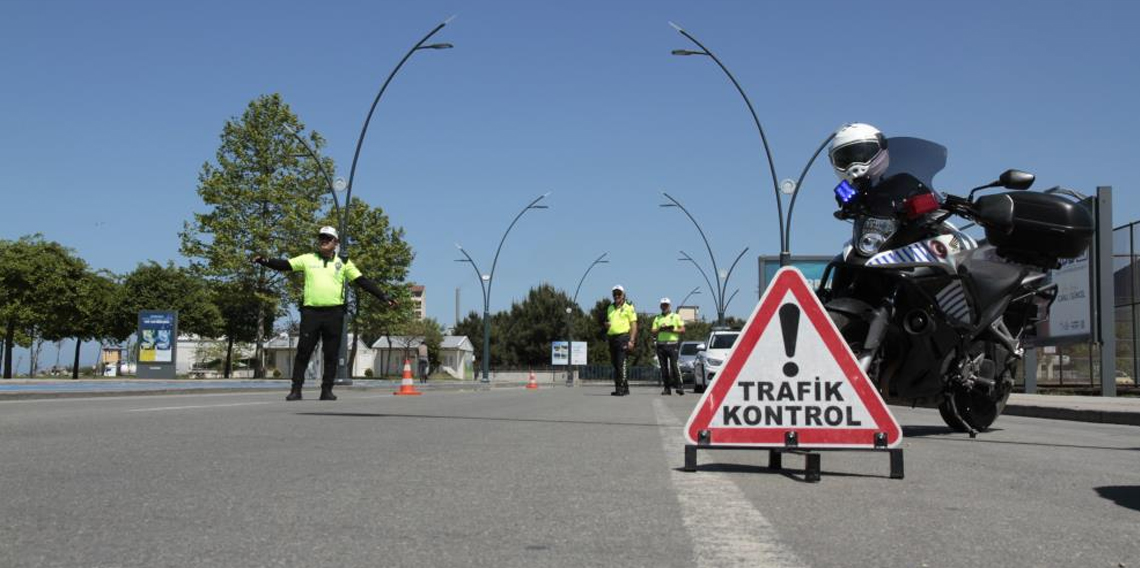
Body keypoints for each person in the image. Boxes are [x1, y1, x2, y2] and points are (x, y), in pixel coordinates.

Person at [253, 226, 396, 401]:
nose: (323, 241)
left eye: (328, 238)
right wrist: (265, 261)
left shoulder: (343, 262)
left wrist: (384, 296)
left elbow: (362, 281)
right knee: (303, 351)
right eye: (321, 238)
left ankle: (326, 390)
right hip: (311, 312)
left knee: (331, 353)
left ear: (336, 242)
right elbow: (285, 265)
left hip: (334, 313)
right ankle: (296, 389)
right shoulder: (308, 258)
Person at [604, 285, 637, 396]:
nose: (616, 296)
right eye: (614, 294)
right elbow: (611, 323)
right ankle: (625, 388)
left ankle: (620, 388)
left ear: (623, 295)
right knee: (615, 364)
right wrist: (607, 326)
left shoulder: (629, 307)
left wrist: (632, 340)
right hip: (612, 338)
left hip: (623, 338)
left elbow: (633, 325)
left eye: (619, 294)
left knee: (620, 364)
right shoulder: (610, 308)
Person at [651, 297, 685, 396]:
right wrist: (660, 329)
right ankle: (667, 388)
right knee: (663, 368)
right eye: (663, 305)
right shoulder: (657, 318)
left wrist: (672, 330)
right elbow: (653, 331)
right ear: (660, 306)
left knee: (674, 365)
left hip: (672, 344)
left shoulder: (676, 316)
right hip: (661, 345)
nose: (664, 307)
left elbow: (683, 330)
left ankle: (680, 386)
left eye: (666, 305)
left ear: (670, 306)